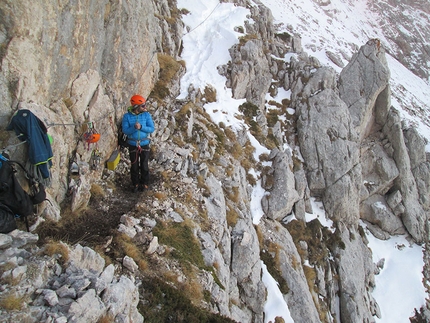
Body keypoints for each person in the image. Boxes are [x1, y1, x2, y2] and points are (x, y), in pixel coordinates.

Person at [122, 95, 155, 192]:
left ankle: (144, 183)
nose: (145, 107)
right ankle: (135, 183)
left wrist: (141, 127)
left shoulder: (146, 115)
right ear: (136, 106)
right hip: (133, 144)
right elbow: (125, 130)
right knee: (134, 165)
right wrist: (134, 128)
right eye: (143, 106)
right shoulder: (127, 116)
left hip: (144, 143)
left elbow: (151, 129)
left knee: (144, 164)